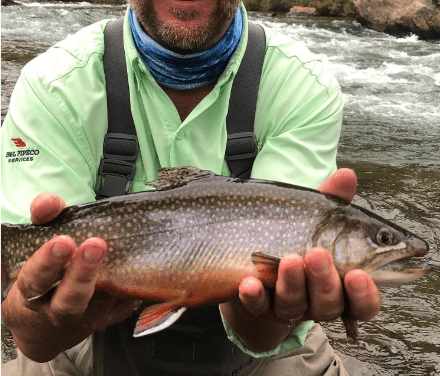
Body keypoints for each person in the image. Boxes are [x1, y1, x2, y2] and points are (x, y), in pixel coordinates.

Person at [0, 1, 381, 375]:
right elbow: (32, 337)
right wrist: (43, 316)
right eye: (381, 239)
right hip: (84, 343)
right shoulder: (53, 86)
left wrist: (276, 311)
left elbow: (262, 335)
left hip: (266, 353)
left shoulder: (302, 86)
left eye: (381, 239)